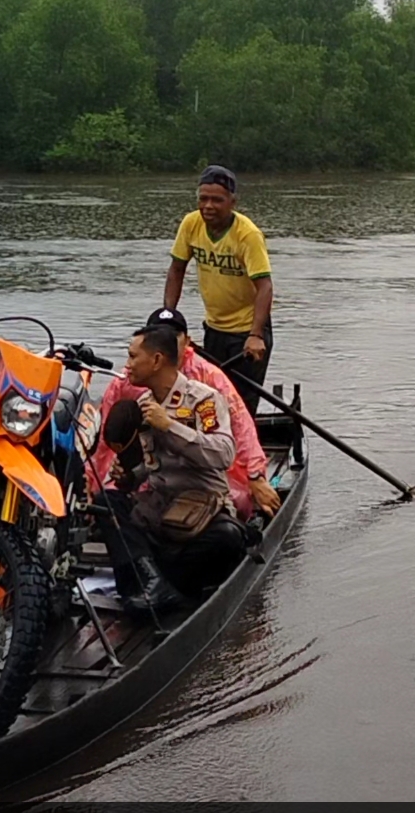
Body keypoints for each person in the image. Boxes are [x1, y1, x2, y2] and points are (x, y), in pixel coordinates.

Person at [91, 324, 251, 616]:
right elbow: (149, 466)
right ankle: (150, 586)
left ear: (156, 360)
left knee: (228, 538)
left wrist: (171, 427)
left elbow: (224, 455)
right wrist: (128, 476)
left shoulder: (203, 400)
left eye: (132, 357)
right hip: (159, 509)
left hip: (200, 511)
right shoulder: (143, 403)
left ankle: (162, 587)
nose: (127, 366)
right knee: (107, 504)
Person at [85, 307, 280, 520]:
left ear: (186, 341)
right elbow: (104, 435)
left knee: (238, 505)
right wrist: (90, 480)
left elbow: (241, 425)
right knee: (109, 500)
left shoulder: (209, 378)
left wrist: (256, 476)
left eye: (174, 336)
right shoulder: (130, 378)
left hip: (201, 472)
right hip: (154, 475)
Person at [163, 164, 273, 417]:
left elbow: (265, 286)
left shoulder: (247, 235)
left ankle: (244, 454)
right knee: (210, 398)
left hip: (247, 331)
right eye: (203, 199)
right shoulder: (191, 224)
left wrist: (256, 335)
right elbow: (176, 269)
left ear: (232, 202)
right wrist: (168, 317)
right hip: (214, 329)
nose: (208, 206)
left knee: (241, 405)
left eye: (217, 200)